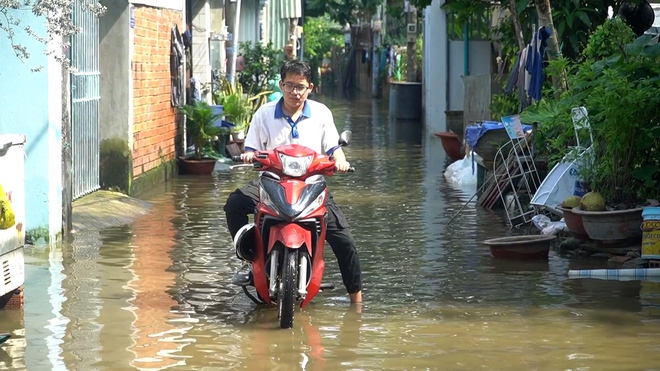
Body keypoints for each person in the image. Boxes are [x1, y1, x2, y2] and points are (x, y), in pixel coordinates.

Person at [223, 60, 363, 304]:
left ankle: (356, 301)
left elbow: (333, 148)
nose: (294, 92)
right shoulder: (264, 114)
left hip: (311, 185)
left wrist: (340, 159)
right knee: (234, 204)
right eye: (289, 86)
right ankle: (249, 258)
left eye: (300, 87)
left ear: (310, 87)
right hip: (271, 183)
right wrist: (249, 154)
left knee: (345, 241)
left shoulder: (321, 113)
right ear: (281, 85)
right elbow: (252, 148)